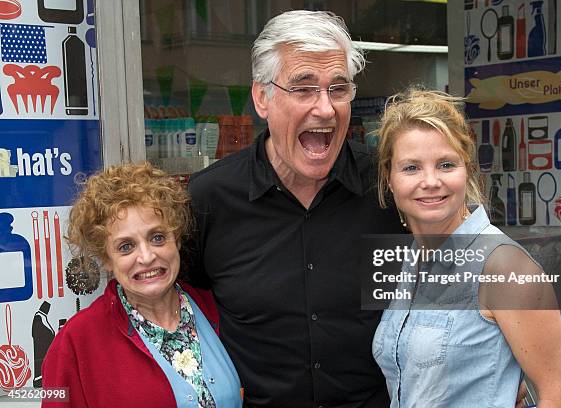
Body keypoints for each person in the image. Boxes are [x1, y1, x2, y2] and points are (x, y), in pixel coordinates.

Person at [184, 10, 404, 407]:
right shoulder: (209, 199)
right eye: (303, 89)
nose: (325, 109)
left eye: (338, 89)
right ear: (262, 97)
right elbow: (167, 311)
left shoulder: (389, 189)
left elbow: (465, 286)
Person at [373, 88, 561, 407]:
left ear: (466, 168)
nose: (430, 181)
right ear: (390, 178)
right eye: (411, 167)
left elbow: (558, 393)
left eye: (445, 165)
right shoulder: (410, 260)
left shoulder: (504, 267)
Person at [42, 162, 242, 407]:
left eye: (157, 238)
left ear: (176, 239)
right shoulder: (76, 342)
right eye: (126, 246)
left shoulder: (213, 307)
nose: (146, 257)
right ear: (106, 259)